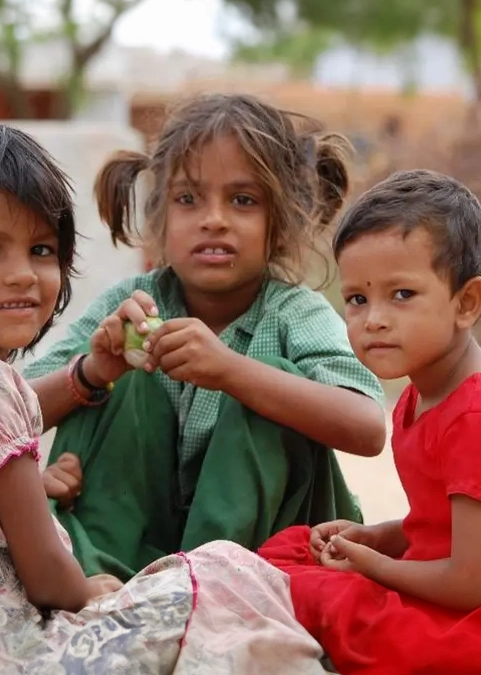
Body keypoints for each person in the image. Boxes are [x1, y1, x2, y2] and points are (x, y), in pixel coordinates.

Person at [0, 121, 333, 675]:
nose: (22, 275)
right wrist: (90, 591)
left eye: (41, 249)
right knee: (226, 578)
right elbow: (47, 575)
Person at [25, 93, 387, 580]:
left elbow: (367, 428)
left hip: (263, 559)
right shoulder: (133, 301)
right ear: (161, 218)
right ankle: (106, 580)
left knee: (272, 383)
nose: (213, 218)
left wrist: (232, 372)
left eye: (243, 200)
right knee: (117, 367)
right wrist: (92, 372)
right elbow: (8, 416)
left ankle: (208, 585)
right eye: (188, 199)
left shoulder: (291, 311)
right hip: (134, 558)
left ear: (279, 223)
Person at [260, 170, 481, 674]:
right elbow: (442, 526)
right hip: (464, 589)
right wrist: (378, 538)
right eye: (358, 299)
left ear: (466, 303)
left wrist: (373, 567)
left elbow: (471, 581)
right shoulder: (422, 397)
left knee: (316, 592)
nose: (373, 319)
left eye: (401, 294)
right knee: (292, 549)